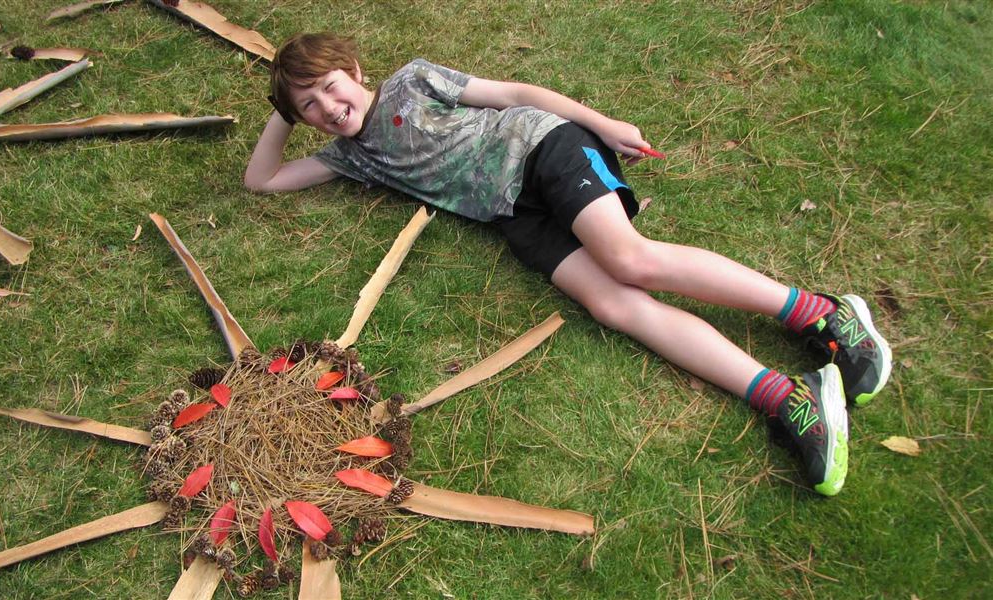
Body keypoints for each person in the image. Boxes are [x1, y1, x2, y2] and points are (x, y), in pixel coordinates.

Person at [244, 32, 892, 496]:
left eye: (330, 87)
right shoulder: (347, 157)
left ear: (355, 69)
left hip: (539, 149)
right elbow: (262, 179)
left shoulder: (413, 79)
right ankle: (788, 399)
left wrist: (600, 123)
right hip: (511, 217)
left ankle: (822, 311)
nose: (329, 107)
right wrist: (281, 110)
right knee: (612, 304)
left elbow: (515, 90)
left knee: (628, 259)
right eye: (309, 107)